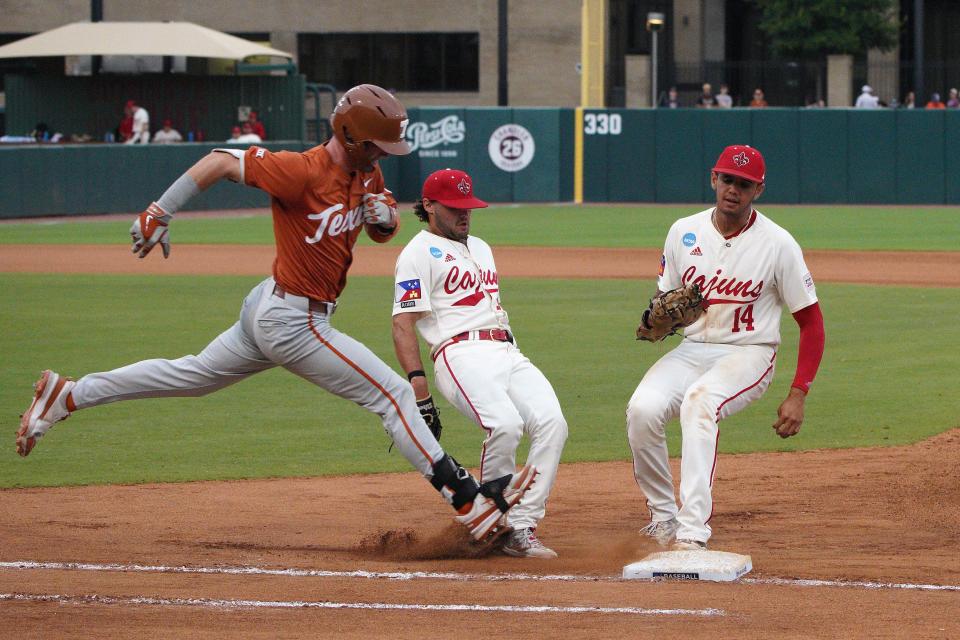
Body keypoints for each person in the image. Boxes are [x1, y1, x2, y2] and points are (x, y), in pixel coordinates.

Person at [16, 83, 538, 545]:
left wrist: (385, 220)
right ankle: (468, 502)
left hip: (272, 309)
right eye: (379, 144)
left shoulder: (368, 170)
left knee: (192, 375)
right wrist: (161, 209)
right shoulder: (300, 171)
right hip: (292, 320)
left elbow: (381, 230)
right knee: (394, 395)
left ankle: (70, 394)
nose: (385, 153)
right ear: (352, 136)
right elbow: (220, 160)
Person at [626, 145, 825, 551]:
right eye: (727, 180)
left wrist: (799, 391)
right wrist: (661, 321)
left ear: (759, 190)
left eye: (744, 184)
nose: (733, 189)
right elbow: (668, 304)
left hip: (749, 353)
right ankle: (663, 518)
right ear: (713, 179)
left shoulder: (778, 244)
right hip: (693, 348)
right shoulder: (683, 231)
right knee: (642, 410)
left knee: (699, 402)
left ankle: (692, 532)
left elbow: (811, 322)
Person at [391, 168, 569, 559]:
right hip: (459, 354)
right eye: (454, 208)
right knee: (504, 425)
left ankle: (521, 525)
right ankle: (488, 524)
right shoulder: (417, 253)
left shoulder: (482, 247)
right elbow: (403, 322)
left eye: (468, 207)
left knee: (553, 424)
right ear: (428, 206)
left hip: (507, 351)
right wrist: (418, 388)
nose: (464, 215)